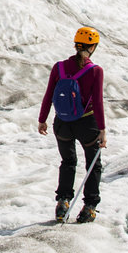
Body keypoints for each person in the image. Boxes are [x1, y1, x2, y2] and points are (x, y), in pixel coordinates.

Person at [37, 26, 107, 224]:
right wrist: (102, 130)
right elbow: (98, 102)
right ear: (92, 47)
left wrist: (42, 119)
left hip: (62, 123)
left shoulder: (59, 67)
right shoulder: (95, 71)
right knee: (93, 165)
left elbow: (49, 95)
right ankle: (89, 207)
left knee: (68, 162)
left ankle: (63, 202)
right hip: (88, 124)